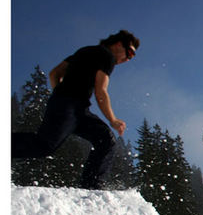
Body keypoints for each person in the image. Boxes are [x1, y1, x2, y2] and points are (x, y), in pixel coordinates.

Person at [12, 30, 139, 189]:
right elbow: (101, 91)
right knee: (44, 145)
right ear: (119, 44)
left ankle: (91, 187)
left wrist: (59, 95)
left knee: (106, 140)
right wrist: (112, 119)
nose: (128, 59)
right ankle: (91, 186)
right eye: (130, 53)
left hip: (75, 109)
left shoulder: (84, 51)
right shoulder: (107, 56)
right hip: (69, 107)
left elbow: (54, 74)